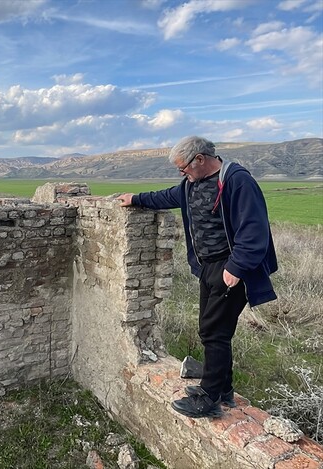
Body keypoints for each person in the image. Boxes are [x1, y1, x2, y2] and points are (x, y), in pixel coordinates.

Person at [116, 136, 278, 418]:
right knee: (213, 329)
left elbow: (255, 231)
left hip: (229, 268)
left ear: (200, 159)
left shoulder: (237, 181)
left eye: (184, 168)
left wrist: (236, 268)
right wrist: (136, 199)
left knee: (214, 331)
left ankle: (210, 397)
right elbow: (167, 196)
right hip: (208, 268)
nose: (182, 174)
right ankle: (224, 388)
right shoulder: (192, 184)